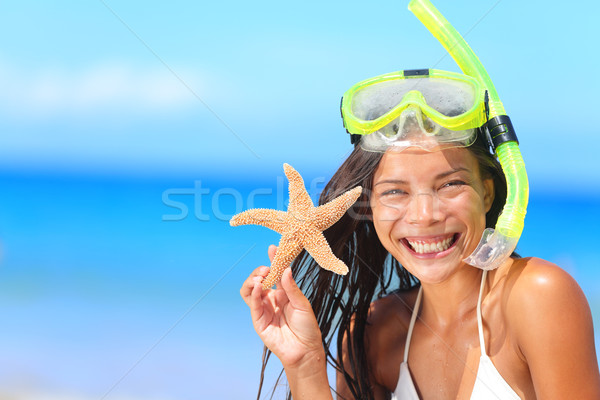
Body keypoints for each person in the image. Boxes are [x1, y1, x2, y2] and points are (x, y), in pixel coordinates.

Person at [239, 1, 600, 398]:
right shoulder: (374, 333)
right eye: (395, 192)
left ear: (489, 191)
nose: (424, 215)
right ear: (370, 208)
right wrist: (305, 366)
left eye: (449, 185)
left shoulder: (537, 297)